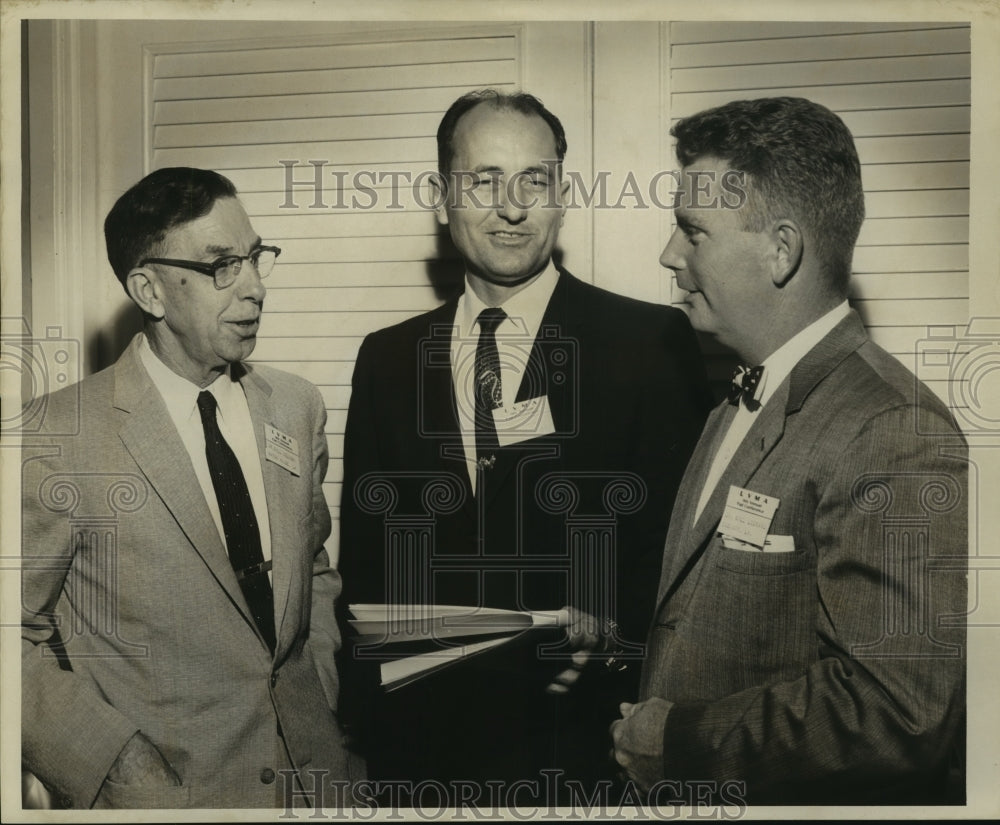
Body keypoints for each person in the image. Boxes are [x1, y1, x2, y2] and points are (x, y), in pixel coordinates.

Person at [337, 89, 712, 799]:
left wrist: (605, 643)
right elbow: (368, 569)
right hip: (422, 761)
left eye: (534, 180)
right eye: (483, 180)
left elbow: (677, 566)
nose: (512, 207)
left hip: (589, 757)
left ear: (562, 195)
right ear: (442, 197)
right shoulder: (386, 358)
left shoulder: (649, 345)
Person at [612, 96, 968, 806]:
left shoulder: (893, 430)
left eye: (693, 231)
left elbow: (896, 713)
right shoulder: (733, 399)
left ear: (781, 249)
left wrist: (676, 742)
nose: (669, 255)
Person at [20, 167, 361, 809]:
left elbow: (311, 569)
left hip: (319, 785)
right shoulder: (52, 437)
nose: (256, 287)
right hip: (167, 801)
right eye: (222, 265)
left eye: (256, 258)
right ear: (149, 289)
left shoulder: (295, 407)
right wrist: (113, 760)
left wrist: (316, 686)